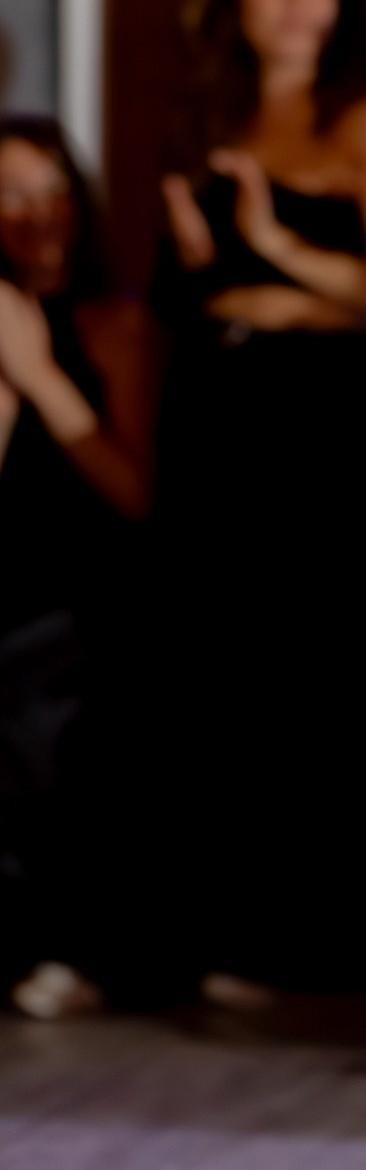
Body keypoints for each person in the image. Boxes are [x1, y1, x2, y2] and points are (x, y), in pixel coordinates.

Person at [156, 0, 366, 996]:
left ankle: (294, 940)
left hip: (312, 417)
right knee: (211, 670)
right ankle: (208, 934)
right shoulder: (207, 104)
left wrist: (270, 244)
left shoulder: (364, 112)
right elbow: (190, 290)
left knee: (299, 666)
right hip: (217, 406)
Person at [0, 119, 156, 1020]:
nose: (37, 216)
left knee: (46, 701)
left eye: (51, 191)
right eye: (13, 195)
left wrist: (38, 373)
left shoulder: (113, 322)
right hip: (9, 576)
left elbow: (130, 489)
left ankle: (73, 945)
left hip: (86, 584)